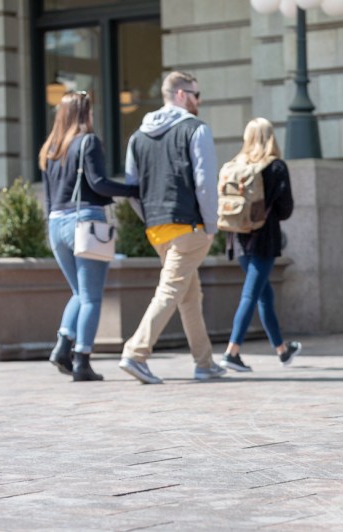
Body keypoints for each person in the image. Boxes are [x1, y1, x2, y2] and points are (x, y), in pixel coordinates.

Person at [119, 71, 223, 384]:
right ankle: (135, 353)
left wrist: (149, 217)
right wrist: (211, 224)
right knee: (170, 291)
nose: (198, 100)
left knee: (189, 295)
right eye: (196, 94)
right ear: (181, 94)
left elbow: (132, 189)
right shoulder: (196, 129)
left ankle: (204, 362)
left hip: (157, 229)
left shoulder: (137, 137)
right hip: (189, 226)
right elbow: (205, 182)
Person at [40, 90, 140, 382]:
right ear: (84, 113)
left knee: (79, 293)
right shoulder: (88, 141)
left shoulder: (50, 148)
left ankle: (63, 346)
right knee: (92, 298)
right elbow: (98, 183)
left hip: (56, 225)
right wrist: (134, 190)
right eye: (91, 111)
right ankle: (82, 360)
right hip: (85, 223)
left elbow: (49, 199)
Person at [219, 118, 301, 372]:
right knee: (251, 294)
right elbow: (285, 209)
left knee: (265, 295)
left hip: (237, 237)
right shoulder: (275, 167)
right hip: (264, 239)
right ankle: (232, 351)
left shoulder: (235, 165)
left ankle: (282, 350)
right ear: (271, 137)